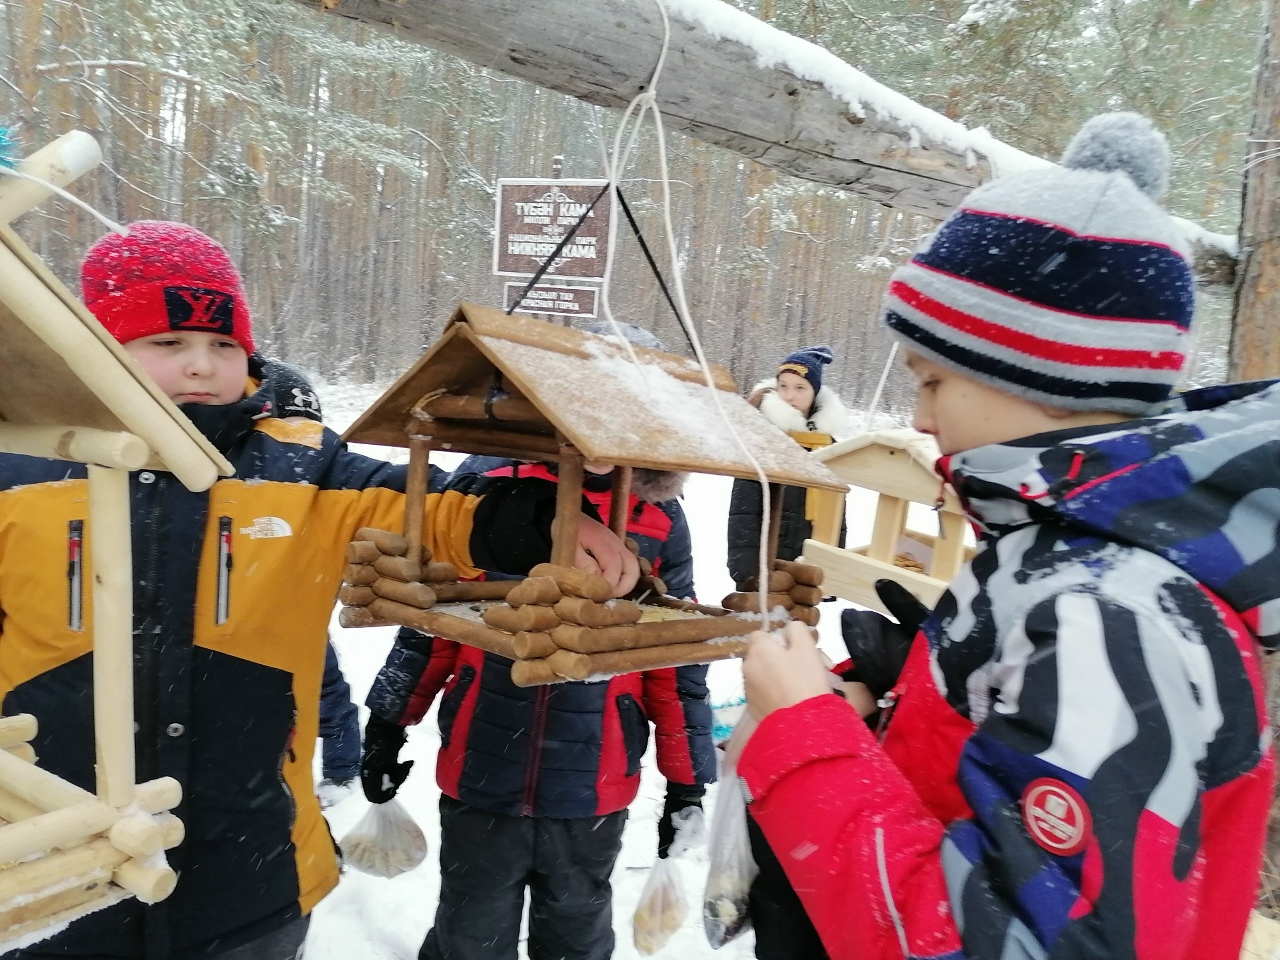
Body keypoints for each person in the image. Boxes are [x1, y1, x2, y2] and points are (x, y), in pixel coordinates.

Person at [0, 221, 637, 960]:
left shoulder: (297, 464)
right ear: (95, 347)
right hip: (55, 874)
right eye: (167, 343)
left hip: (252, 876)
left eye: (224, 345)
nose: (203, 366)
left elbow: (418, 503)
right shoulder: (21, 468)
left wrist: (529, 525)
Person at [737, 113, 1276, 960]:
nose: (916, 414)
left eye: (932, 378)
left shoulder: (1112, 613)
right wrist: (911, 706)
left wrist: (807, 738)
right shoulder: (1074, 553)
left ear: (1041, 374)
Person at [360, 324, 717, 960]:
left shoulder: (660, 521)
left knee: (576, 935)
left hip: (594, 784)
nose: (598, 435)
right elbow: (432, 622)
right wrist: (387, 720)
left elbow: (676, 657)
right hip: (482, 769)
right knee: (470, 934)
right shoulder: (491, 497)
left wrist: (687, 782)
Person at [726, 345, 850, 592]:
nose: (789, 396)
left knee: (801, 629)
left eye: (799, 388)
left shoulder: (827, 446)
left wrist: (833, 567)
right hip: (765, 563)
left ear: (815, 393)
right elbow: (744, 512)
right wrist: (747, 570)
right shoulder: (764, 438)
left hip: (809, 563)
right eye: (783, 386)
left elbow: (836, 515)